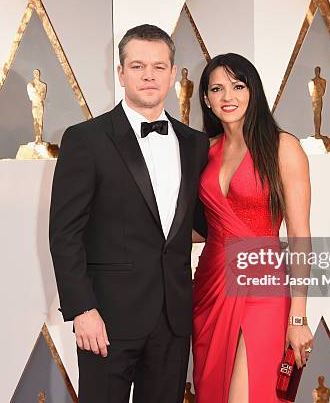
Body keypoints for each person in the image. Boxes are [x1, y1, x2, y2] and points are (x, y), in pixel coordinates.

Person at [48, 24, 209, 403]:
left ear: (172, 73)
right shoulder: (85, 139)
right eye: (137, 66)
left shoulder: (195, 143)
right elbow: (64, 233)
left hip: (173, 320)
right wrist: (82, 309)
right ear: (120, 73)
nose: (149, 75)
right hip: (106, 317)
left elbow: (194, 225)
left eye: (158, 66)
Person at [192, 53, 313, 402]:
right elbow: (206, 225)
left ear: (253, 91)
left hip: (263, 288)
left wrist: (299, 318)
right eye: (217, 88)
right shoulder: (204, 151)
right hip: (210, 287)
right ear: (206, 99)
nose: (228, 96)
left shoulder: (282, 147)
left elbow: (301, 238)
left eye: (238, 86)